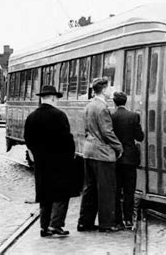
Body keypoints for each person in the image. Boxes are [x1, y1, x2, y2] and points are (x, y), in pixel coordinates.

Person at [24, 85, 79, 238]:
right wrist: (70, 157)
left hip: (42, 163)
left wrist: (35, 154)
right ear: (53, 98)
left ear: (42, 98)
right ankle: (56, 225)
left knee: (44, 194)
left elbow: (28, 139)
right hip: (60, 162)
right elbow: (67, 139)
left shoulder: (32, 116)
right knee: (61, 194)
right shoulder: (59, 115)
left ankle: (44, 227)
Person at [78, 78, 123, 232]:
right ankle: (107, 224)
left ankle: (85, 222)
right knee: (106, 190)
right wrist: (119, 147)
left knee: (89, 189)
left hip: (88, 151)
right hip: (102, 154)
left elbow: (86, 129)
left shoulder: (89, 105)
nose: (111, 90)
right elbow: (107, 132)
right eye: (110, 87)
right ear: (103, 90)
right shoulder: (103, 108)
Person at [111, 91, 144, 230]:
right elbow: (140, 137)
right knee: (130, 190)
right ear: (126, 101)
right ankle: (129, 219)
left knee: (116, 190)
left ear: (114, 102)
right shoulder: (133, 116)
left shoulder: (111, 116)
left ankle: (117, 220)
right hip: (130, 158)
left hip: (115, 157)